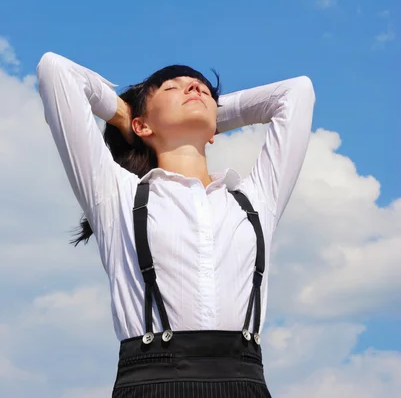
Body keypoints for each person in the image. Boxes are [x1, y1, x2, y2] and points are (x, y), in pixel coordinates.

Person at [37, 51, 315, 398]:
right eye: (172, 87)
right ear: (141, 125)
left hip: (246, 383)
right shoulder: (116, 195)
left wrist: (208, 116)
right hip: (151, 384)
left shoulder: (255, 198)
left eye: (202, 89)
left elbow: (297, 93)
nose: (194, 88)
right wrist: (125, 113)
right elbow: (55, 71)